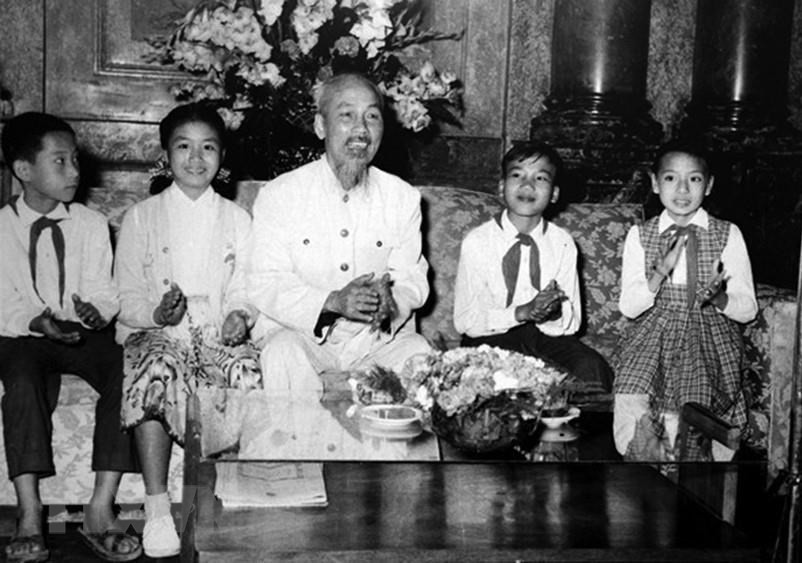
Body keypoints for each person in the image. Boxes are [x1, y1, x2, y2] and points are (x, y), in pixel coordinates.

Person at [115, 103, 262, 558]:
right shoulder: (141, 216)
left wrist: (240, 315)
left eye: (208, 148)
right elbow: (127, 294)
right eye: (184, 147)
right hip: (158, 329)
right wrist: (158, 314)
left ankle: (228, 500)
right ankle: (158, 508)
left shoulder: (238, 219)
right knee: (155, 366)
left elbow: (247, 286)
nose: (196, 159)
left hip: (216, 331)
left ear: (222, 158)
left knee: (245, 371)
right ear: (166, 154)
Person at [0, 113, 141, 562]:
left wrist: (94, 312)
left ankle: (100, 507)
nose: (75, 172)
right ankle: (29, 511)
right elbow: (3, 303)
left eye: (76, 160)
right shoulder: (0, 228)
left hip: (80, 332)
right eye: (60, 161)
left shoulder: (90, 224)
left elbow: (105, 291)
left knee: (128, 369)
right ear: (24, 170)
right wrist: (37, 321)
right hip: (22, 331)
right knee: (21, 380)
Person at [247, 72, 431, 394]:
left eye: (372, 117)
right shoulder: (280, 194)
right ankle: (298, 445)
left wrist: (390, 301)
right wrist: (333, 301)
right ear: (321, 126)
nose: (361, 130)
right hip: (303, 336)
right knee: (282, 353)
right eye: (347, 116)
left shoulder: (402, 198)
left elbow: (412, 279)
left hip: (373, 342)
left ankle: (385, 445)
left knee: (419, 354)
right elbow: (265, 281)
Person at [613, 140, 758, 460]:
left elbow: (747, 309)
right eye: (670, 178)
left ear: (708, 186)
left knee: (699, 405)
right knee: (635, 393)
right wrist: (658, 274)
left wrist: (719, 298)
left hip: (708, 336)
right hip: (654, 333)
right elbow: (629, 306)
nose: (682, 188)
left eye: (693, 179)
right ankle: (646, 458)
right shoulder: (641, 235)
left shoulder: (727, 233)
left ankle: (698, 469)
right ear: (654, 183)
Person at [453, 141, 613, 393]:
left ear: (555, 193)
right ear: (502, 186)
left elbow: (572, 323)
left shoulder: (562, 243)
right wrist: (521, 312)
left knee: (591, 368)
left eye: (540, 178)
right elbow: (466, 320)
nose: (528, 185)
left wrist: (552, 313)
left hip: (545, 336)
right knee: (489, 382)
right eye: (517, 175)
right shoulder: (478, 241)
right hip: (488, 335)